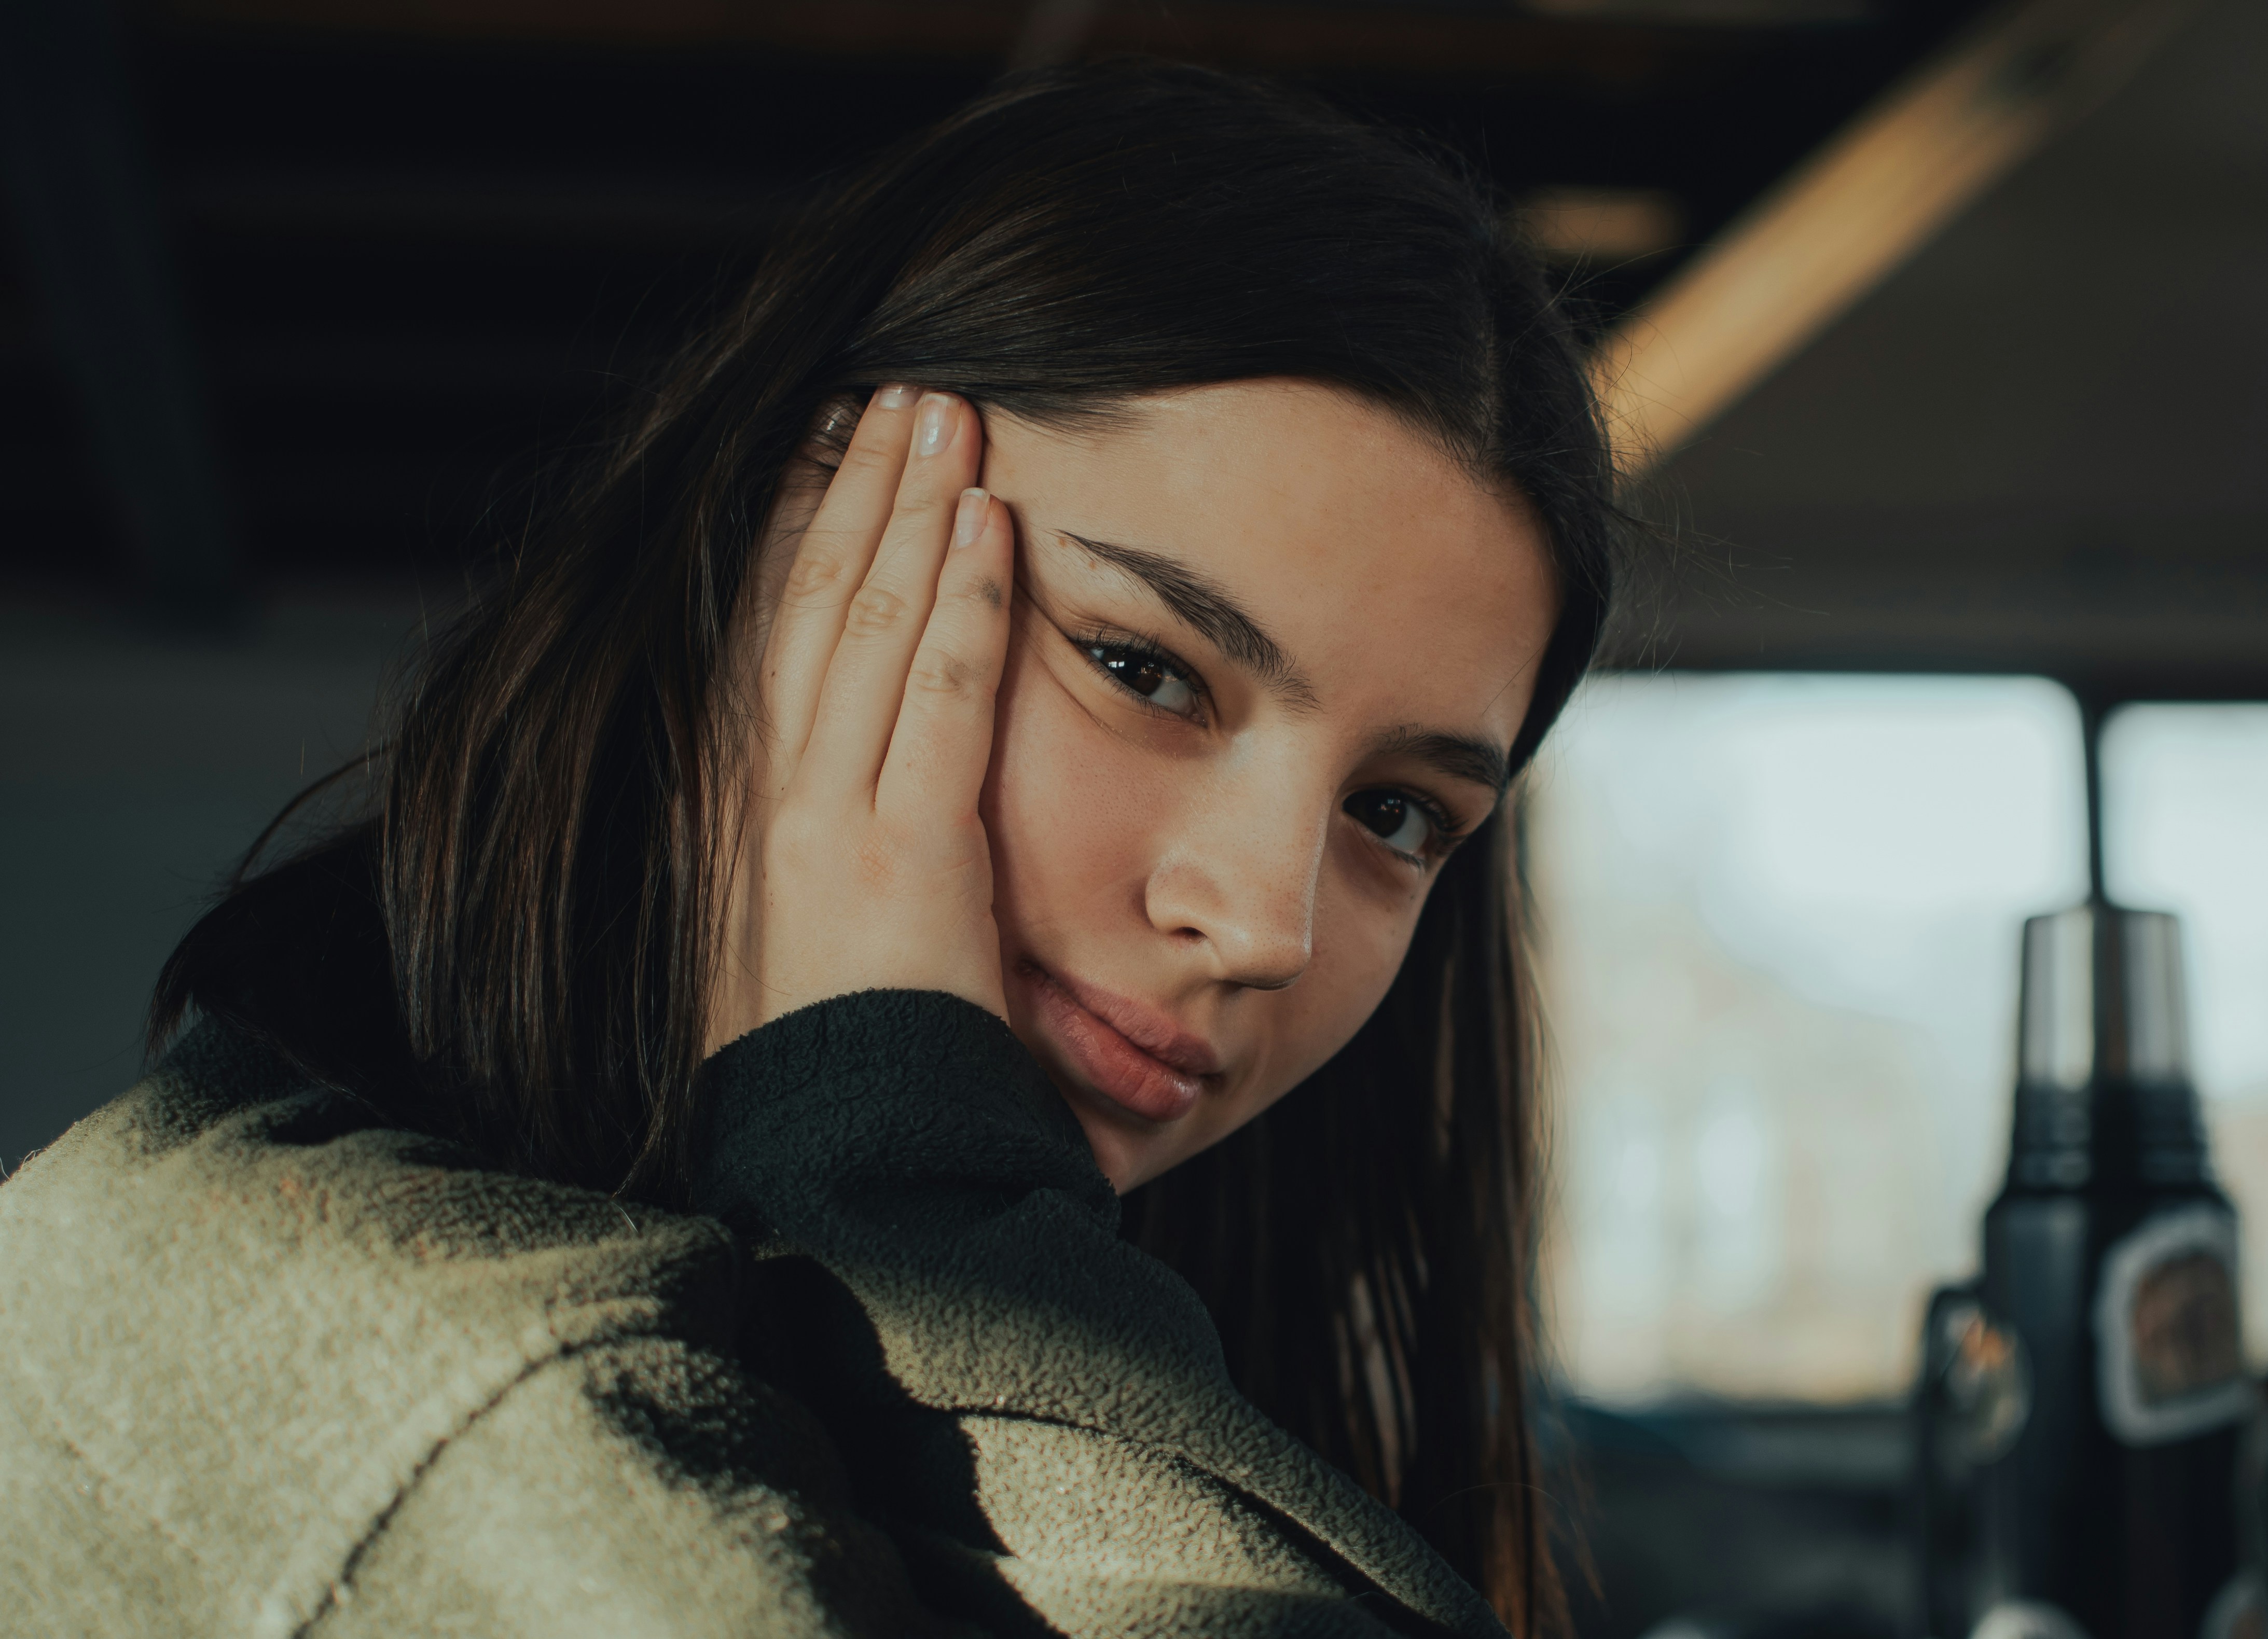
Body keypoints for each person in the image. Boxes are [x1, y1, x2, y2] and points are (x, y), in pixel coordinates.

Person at [0, 60, 1617, 1638]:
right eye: (1140, 668)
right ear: (779, 558)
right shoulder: (394, 1378)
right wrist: (901, 1161)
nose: (1264, 920)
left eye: (1394, 814)